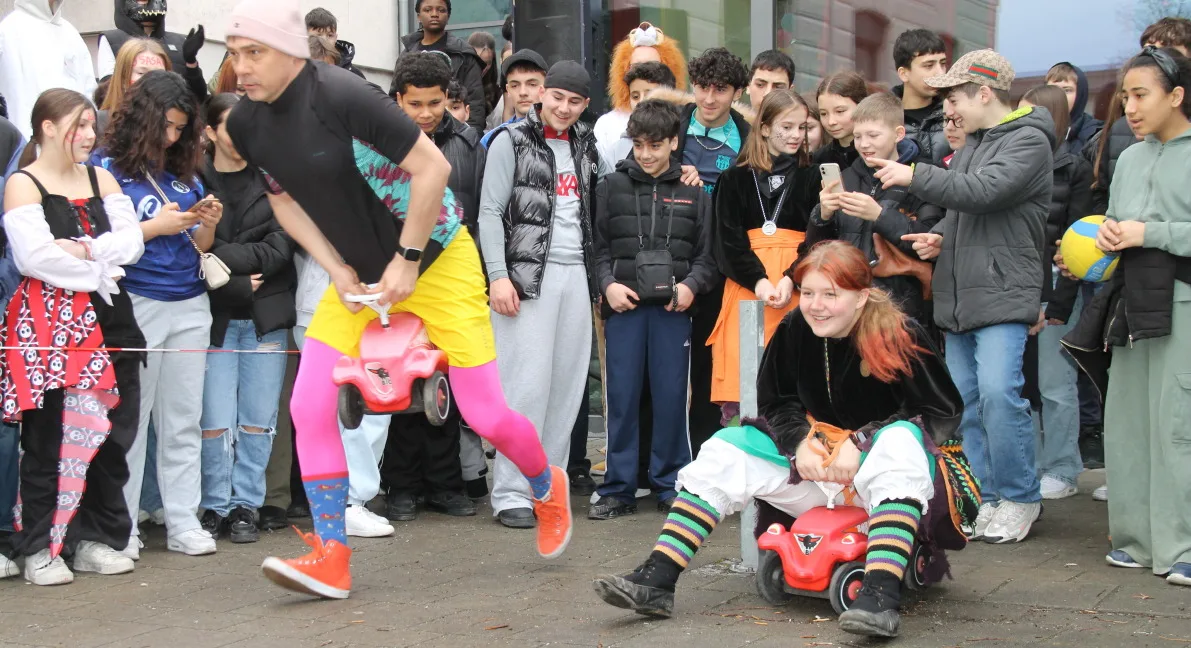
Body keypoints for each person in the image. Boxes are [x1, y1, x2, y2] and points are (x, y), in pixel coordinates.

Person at [222, 0, 572, 599]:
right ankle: (332, 556)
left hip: (437, 258)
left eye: (254, 52)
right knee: (308, 406)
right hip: (359, 273)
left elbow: (433, 169)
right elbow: (282, 198)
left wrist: (407, 260)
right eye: (234, 54)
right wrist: (334, 267)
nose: (241, 66)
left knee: (485, 415)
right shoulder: (247, 123)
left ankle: (546, 485)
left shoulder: (341, 94)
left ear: (291, 51)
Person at [592, 240, 974, 639]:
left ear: (861, 297)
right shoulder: (795, 327)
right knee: (728, 446)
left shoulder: (900, 331)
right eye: (807, 293)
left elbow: (940, 411)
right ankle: (658, 577)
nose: (816, 306)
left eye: (831, 295)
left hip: (900, 487)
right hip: (822, 471)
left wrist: (862, 441)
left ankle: (880, 596)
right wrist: (800, 443)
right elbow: (776, 403)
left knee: (900, 439)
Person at [875, 49, 1053, 544]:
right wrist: (941, 237)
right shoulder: (977, 141)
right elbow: (966, 209)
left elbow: (983, 191)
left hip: (1001, 290)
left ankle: (1020, 496)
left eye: (954, 97)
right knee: (968, 404)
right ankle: (986, 497)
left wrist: (914, 175)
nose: (948, 109)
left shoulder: (1029, 141)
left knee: (999, 395)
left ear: (985, 93)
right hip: (961, 291)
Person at [1, 88, 145, 585]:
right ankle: (40, 546)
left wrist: (82, 250)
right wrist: (97, 261)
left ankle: (96, 538)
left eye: (90, 125)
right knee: (50, 440)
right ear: (47, 127)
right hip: (54, 329)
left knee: (111, 438)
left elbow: (131, 243)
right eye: (78, 125)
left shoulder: (101, 177)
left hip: (112, 320)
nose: (89, 134)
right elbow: (35, 258)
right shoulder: (24, 183)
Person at [1060, 46, 1191, 588]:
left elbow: (1155, 231)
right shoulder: (1131, 158)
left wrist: (1148, 232)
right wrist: (1104, 237)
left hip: (1183, 303)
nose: (1129, 108)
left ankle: (1183, 545)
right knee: (1128, 425)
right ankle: (1136, 540)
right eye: (1125, 97)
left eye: (1141, 95)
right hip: (1130, 304)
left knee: (1178, 426)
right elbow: (1116, 224)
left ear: (1176, 95)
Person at [93, 70, 225, 560]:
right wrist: (155, 226)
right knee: (131, 419)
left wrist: (206, 223)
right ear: (143, 118)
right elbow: (103, 242)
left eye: (180, 129)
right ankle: (122, 527)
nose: (171, 137)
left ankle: (183, 520)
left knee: (183, 418)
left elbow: (198, 244)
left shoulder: (184, 171)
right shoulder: (105, 167)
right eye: (165, 126)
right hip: (137, 300)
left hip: (190, 300)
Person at [478, 60, 601, 529]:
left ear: (585, 105)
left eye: (575, 101)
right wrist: (497, 275)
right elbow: (489, 212)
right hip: (526, 279)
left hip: (577, 277)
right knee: (524, 389)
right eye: (558, 97)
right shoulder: (510, 140)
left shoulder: (587, 145)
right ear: (543, 93)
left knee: (566, 390)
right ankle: (510, 492)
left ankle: (547, 489)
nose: (564, 108)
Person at [589, 99, 715, 519]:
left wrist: (691, 288)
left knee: (672, 398)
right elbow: (597, 249)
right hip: (623, 309)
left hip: (673, 313)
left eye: (655, 145)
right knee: (621, 399)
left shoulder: (695, 192)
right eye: (639, 144)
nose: (645, 154)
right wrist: (607, 285)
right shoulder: (610, 186)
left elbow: (707, 258)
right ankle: (618, 488)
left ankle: (670, 484)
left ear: (674, 143)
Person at [383, 52, 486, 520]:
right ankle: (401, 486)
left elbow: (478, 209)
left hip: (451, 276)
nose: (425, 114)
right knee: (400, 379)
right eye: (415, 104)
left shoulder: (468, 143)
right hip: (398, 274)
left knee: (445, 383)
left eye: (435, 103)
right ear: (397, 99)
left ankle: (446, 484)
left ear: (448, 98)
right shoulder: (382, 144)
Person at [196, 93, 297, 544]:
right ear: (210, 131)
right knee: (214, 422)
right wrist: (236, 280)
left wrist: (221, 258)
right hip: (214, 316)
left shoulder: (274, 178)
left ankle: (245, 506)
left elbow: (281, 248)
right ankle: (214, 506)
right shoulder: (193, 179)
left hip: (266, 315)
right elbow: (190, 247)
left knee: (258, 420)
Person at [707, 90, 812, 409]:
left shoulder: (813, 176)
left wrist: (791, 277)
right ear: (764, 128)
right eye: (787, 126)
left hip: (798, 288)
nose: (796, 135)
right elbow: (726, 242)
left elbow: (819, 237)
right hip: (748, 289)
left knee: (794, 388)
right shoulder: (734, 178)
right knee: (747, 392)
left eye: (802, 127)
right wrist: (759, 282)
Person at [1014, 85, 1092, 502]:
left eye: (1032, 113)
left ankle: (1063, 467)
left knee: (1056, 385)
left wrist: (1060, 303)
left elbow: (1078, 245)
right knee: (1024, 388)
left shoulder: (1074, 167)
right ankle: (1034, 466)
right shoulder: (1014, 162)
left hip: (1058, 287)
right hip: (1018, 287)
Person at [805, 92, 943, 326]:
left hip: (901, 307)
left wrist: (879, 216)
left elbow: (930, 241)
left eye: (873, 135)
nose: (864, 144)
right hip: (846, 300)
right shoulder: (846, 177)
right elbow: (815, 249)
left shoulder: (923, 176)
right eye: (857, 136)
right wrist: (822, 216)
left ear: (898, 134)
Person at [595, 23, 688, 175]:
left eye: (653, 66)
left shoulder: (685, 122)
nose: (644, 72)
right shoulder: (607, 125)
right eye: (636, 66)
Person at [0, 0, 98, 140]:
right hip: (28, 141)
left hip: (74, 141)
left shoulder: (70, 32)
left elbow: (88, 91)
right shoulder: (7, 32)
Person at [397, 0, 487, 133]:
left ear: (448, 15)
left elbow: (476, 104)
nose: (434, 14)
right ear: (418, 16)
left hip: (454, 134)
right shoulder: (406, 55)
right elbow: (394, 99)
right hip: (414, 134)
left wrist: (470, 139)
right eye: (428, 10)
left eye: (441, 10)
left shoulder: (464, 54)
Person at [98, 0, 207, 102]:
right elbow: (108, 92)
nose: (148, 4)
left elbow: (198, 97)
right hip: (132, 111)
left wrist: (191, 63)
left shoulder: (179, 41)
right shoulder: (112, 38)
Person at [596, 62, 678, 169]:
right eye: (635, 96)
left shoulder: (687, 136)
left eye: (649, 94)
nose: (641, 101)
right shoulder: (618, 149)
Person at [891, 29, 950, 166]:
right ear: (903, 73)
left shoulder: (954, 113)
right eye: (929, 66)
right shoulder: (883, 117)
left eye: (943, 63)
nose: (940, 73)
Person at [97, 39, 171, 138]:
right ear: (123, 76)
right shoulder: (100, 122)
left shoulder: (175, 121)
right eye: (141, 73)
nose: (152, 79)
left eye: (159, 74)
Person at [480, 49, 548, 147]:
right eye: (515, 86)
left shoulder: (562, 134)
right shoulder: (491, 140)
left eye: (532, 84)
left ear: (545, 88)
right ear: (508, 90)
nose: (523, 92)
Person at [813, 72, 871, 171]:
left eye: (840, 111)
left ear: (861, 105)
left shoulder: (877, 151)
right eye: (823, 113)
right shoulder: (820, 158)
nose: (831, 122)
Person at [1045, 62, 1103, 156]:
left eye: (1067, 90)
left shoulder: (1095, 135)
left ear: (1080, 94)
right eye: (1053, 90)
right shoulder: (1036, 129)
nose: (1059, 96)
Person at [305, 7, 364, 79]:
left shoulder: (354, 74)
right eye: (318, 35)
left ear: (336, 38)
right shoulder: (296, 68)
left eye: (330, 35)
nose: (325, 40)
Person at [466, 31, 500, 116]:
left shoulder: (497, 92)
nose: (483, 67)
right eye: (477, 62)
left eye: (487, 63)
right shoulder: (459, 87)